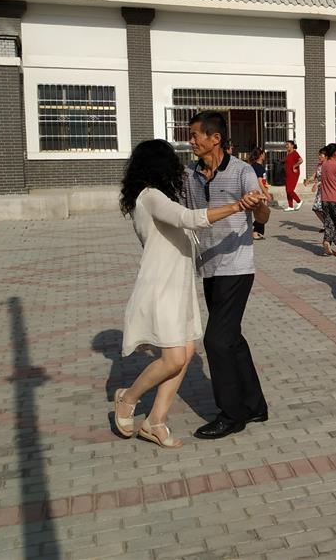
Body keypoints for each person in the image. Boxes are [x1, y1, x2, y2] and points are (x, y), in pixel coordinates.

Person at [114, 139, 252, 448]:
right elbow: (188, 219)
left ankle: (155, 421)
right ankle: (128, 397)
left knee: (186, 353)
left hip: (178, 286)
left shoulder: (158, 197)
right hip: (160, 286)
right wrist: (236, 206)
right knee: (174, 357)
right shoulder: (150, 196)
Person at [183, 111, 271, 439]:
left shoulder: (241, 171)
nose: (191, 141)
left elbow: (264, 215)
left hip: (237, 268)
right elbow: (183, 214)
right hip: (208, 267)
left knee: (216, 341)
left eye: (195, 135)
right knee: (231, 339)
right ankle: (255, 405)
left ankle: (232, 414)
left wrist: (257, 204)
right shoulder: (190, 175)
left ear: (215, 138)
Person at [249, 147, 272, 240]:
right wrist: (267, 194)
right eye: (263, 153)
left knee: (260, 214)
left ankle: (256, 232)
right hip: (260, 193)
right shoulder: (258, 167)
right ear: (261, 155)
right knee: (262, 213)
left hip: (256, 192)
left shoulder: (252, 166)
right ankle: (255, 232)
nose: (264, 155)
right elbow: (260, 182)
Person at [304, 147, 328, 234]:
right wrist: (309, 180)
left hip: (326, 190)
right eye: (319, 155)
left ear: (326, 156)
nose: (319, 157)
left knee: (324, 209)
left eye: (321, 155)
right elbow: (315, 175)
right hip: (320, 191)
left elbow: (326, 178)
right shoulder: (319, 165)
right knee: (316, 208)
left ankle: (329, 226)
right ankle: (327, 225)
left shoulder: (328, 166)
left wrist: (316, 184)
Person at [283, 139, 304, 211]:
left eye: (288, 145)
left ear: (292, 146)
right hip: (288, 174)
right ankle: (290, 206)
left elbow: (301, 160)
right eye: (286, 145)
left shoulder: (295, 153)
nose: (286, 146)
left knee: (290, 190)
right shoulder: (288, 153)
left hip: (293, 174)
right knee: (287, 190)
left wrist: (294, 166)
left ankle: (299, 201)